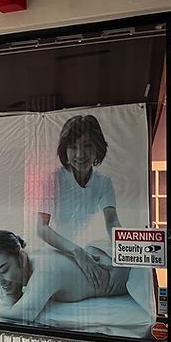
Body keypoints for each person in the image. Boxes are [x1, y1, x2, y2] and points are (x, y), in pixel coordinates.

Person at [37, 114, 120, 288]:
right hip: (56, 250)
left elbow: (111, 220)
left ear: (97, 147)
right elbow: (41, 228)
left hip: (86, 250)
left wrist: (123, 249)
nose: (80, 154)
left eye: (87, 145)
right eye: (73, 147)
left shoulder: (103, 182)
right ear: (65, 151)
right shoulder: (54, 180)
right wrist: (76, 252)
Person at [0, 230, 129, 323]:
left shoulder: (45, 271)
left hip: (120, 269)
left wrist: (6, 297)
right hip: (98, 251)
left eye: (4, 270)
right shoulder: (28, 258)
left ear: (21, 258)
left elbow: (22, 314)